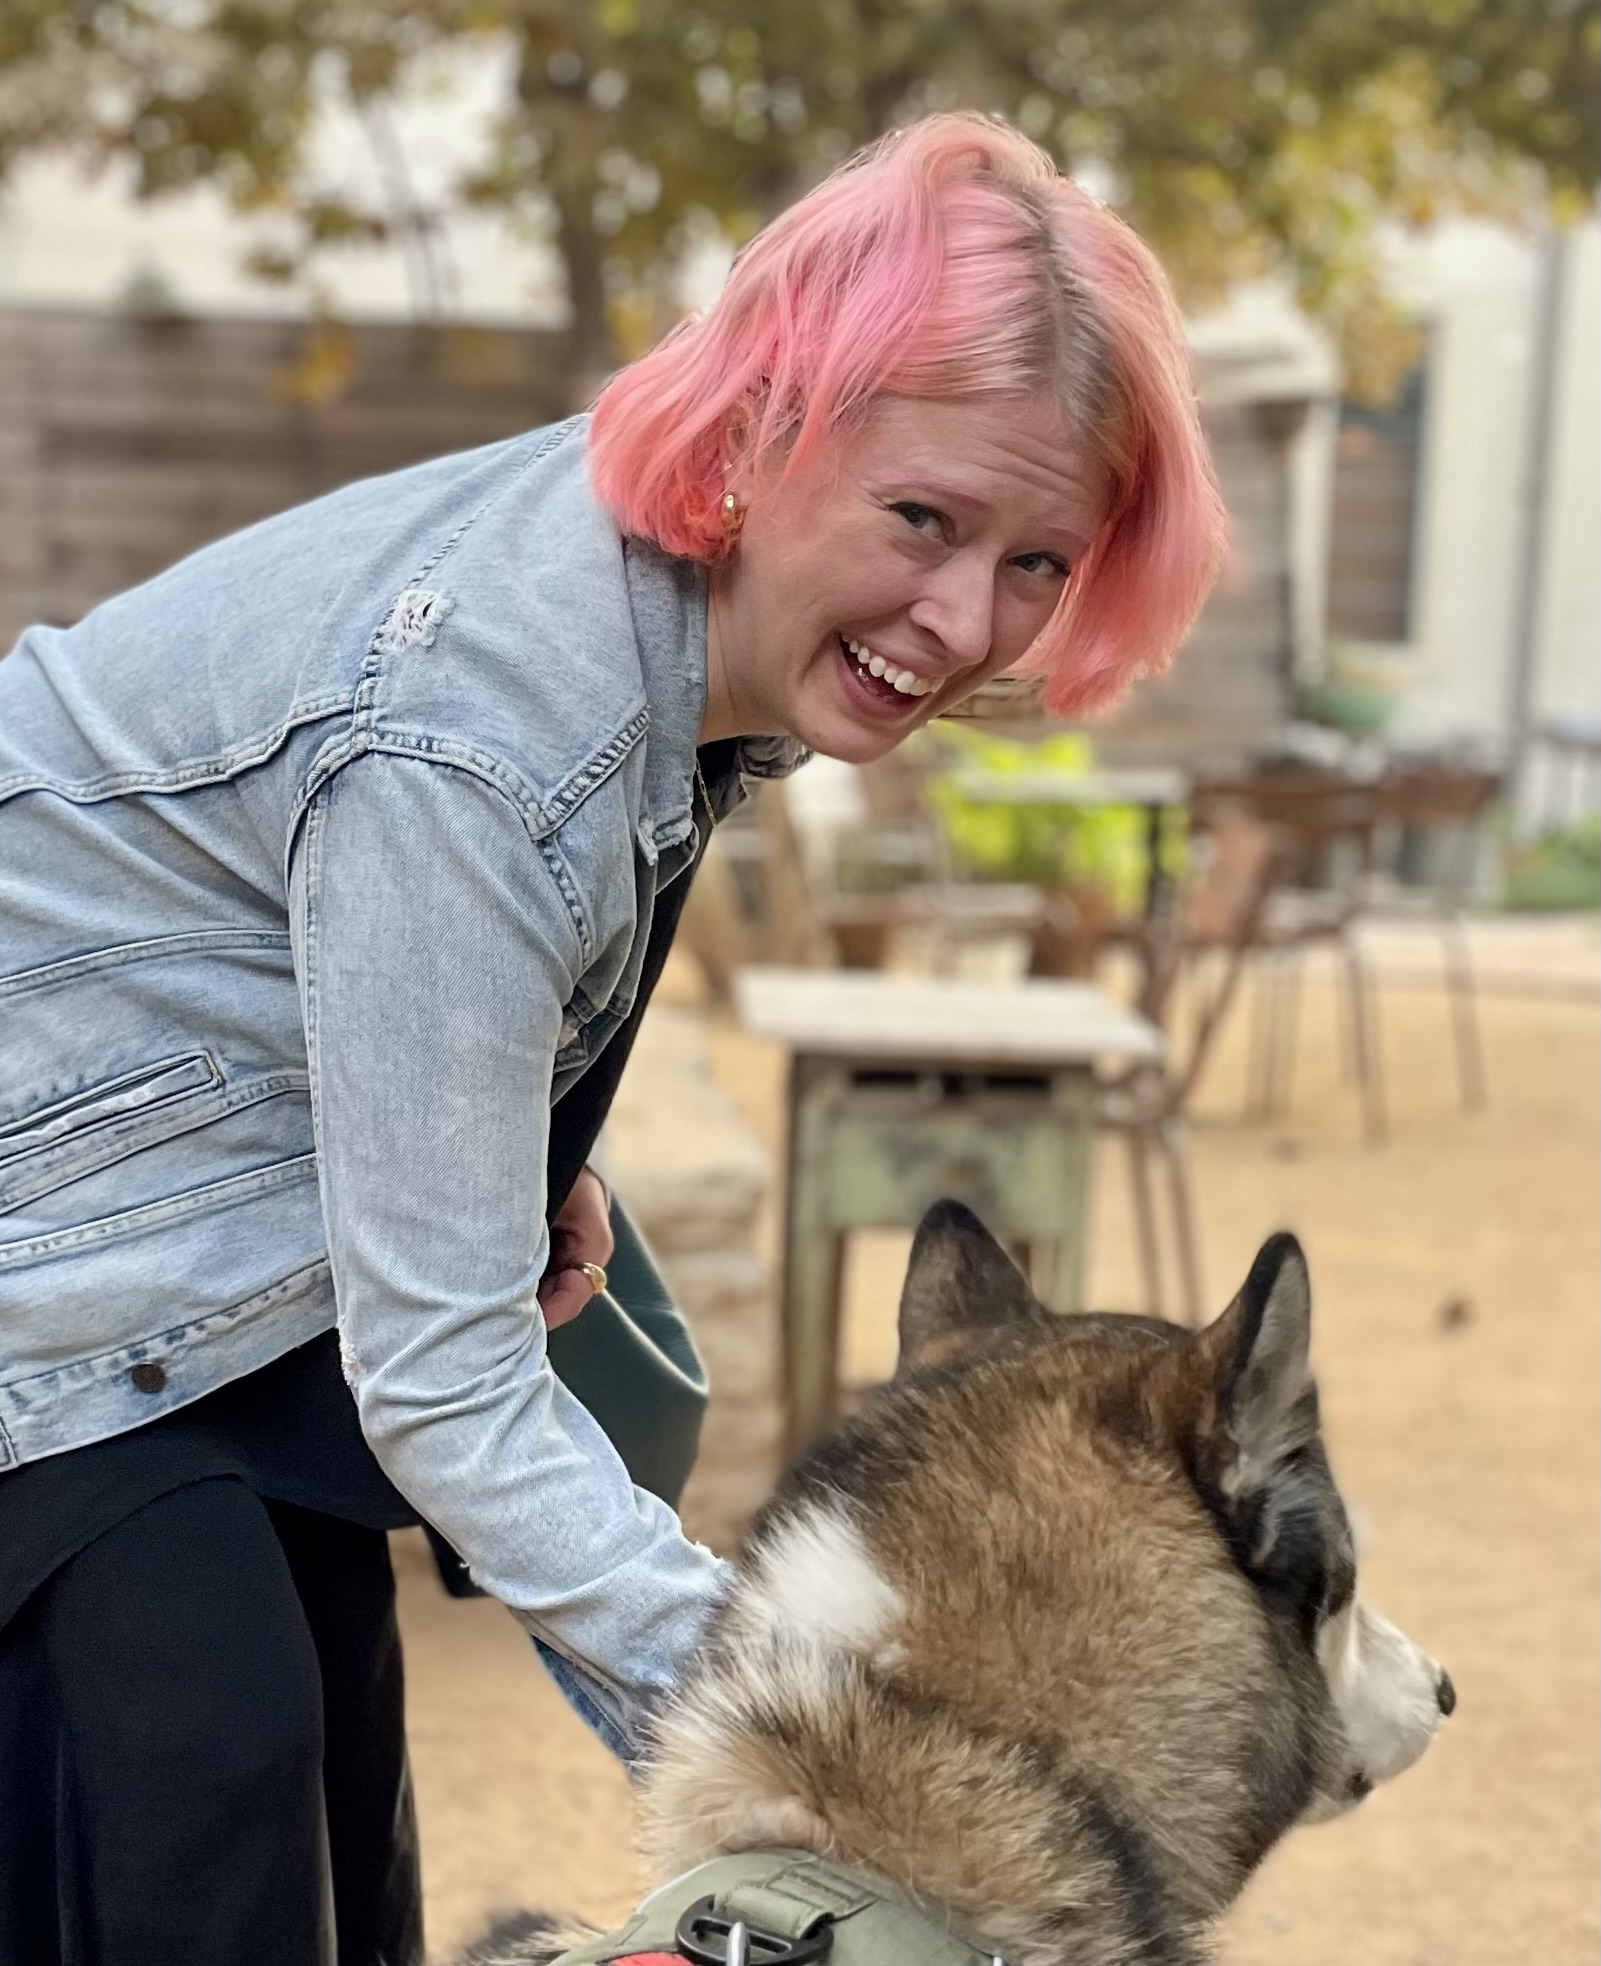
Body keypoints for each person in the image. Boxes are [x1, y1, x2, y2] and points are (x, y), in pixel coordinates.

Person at [0, 112, 1225, 1964]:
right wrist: (825, 1766)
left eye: (1039, 560)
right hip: (63, 1275)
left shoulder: (690, 622)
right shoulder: (486, 737)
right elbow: (446, 1384)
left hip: (208, 1231)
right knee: (205, 1774)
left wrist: (485, 1134)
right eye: (923, 520)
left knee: (328, 1788)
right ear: (759, 429)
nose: (964, 619)